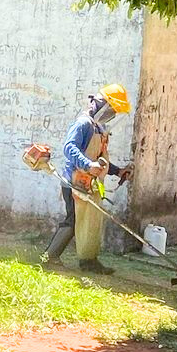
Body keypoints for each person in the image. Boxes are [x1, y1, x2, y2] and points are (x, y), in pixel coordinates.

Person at [41, 84, 134, 274]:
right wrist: (87, 165)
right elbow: (70, 147)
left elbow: (98, 159)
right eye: (112, 109)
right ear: (101, 104)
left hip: (89, 184)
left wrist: (117, 171)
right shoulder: (83, 124)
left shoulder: (99, 129)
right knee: (73, 221)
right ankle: (48, 258)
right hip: (73, 182)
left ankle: (89, 262)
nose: (112, 114)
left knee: (91, 222)